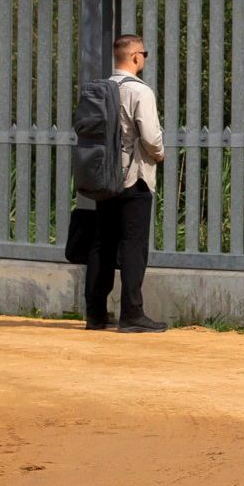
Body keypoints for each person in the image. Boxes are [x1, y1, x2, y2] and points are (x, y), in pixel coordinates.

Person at [86, 34, 168, 334]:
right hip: (135, 179)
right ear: (135, 56)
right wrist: (160, 154)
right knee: (133, 246)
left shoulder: (101, 89)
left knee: (102, 244)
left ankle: (94, 314)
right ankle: (132, 314)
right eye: (143, 53)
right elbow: (150, 137)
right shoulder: (139, 92)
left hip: (104, 177)